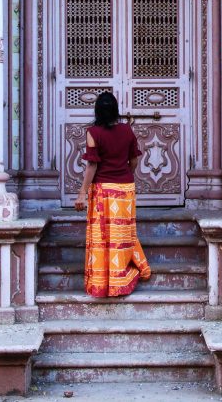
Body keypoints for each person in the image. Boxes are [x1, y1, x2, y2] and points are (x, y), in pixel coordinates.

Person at [74, 92, 151, 297]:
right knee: (122, 235)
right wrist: (126, 175)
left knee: (102, 237)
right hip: (125, 189)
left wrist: (82, 193)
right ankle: (122, 277)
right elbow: (134, 160)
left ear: (97, 111)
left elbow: (92, 165)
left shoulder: (93, 132)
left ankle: (103, 282)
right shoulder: (127, 130)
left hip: (102, 190)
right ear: (116, 111)